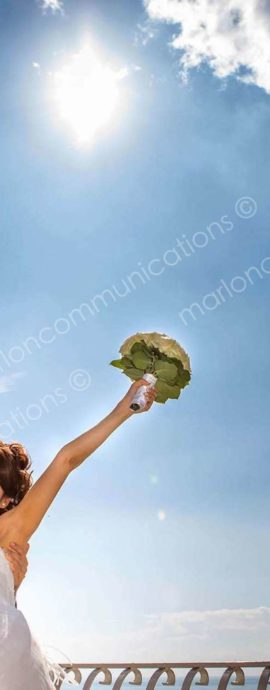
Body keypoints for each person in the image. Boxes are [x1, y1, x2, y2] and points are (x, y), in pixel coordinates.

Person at [0, 379, 157, 690]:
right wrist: (13, 588)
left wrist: (124, 409)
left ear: (5, 500)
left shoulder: (10, 529)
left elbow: (65, 460)